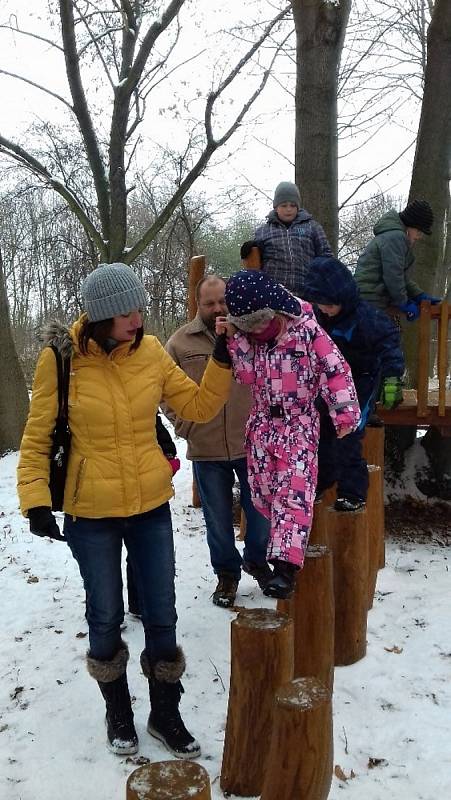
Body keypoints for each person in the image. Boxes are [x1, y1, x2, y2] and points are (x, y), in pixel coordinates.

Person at [17, 262, 232, 759]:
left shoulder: (152, 352)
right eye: (127, 313)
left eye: (140, 309)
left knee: (162, 614)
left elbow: (198, 407)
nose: (138, 319)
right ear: (102, 317)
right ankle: (118, 711)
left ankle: (164, 712)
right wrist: (35, 501)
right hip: (90, 513)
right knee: (106, 614)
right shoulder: (61, 360)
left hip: (150, 506)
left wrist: (221, 359)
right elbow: (37, 436)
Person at [217, 269, 361, 600]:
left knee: (293, 493)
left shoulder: (308, 332)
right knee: (264, 495)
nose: (257, 332)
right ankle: (278, 546)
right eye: (249, 327)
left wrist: (344, 411)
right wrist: (235, 339)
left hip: (298, 425)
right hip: (262, 426)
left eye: (259, 325)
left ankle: (285, 568)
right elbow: (247, 376)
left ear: (276, 312)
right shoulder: (250, 337)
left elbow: (335, 370)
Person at [162, 275, 271, 609]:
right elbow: (164, 391)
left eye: (222, 301)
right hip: (206, 448)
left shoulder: (250, 336)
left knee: (262, 510)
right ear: (198, 304)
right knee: (218, 519)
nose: (217, 308)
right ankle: (227, 574)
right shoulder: (180, 342)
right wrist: (185, 425)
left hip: (250, 443)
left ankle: (256, 559)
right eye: (209, 303)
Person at [304, 256, 405, 511]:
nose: (324, 309)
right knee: (322, 433)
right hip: (328, 382)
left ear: (342, 296)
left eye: (329, 304)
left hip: (360, 382)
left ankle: (353, 492)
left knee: (348, 435)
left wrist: (392, 377)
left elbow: (389, 343)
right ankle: (321, 481)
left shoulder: (365, 316)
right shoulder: (317, 317)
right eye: (320, 304)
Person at [126, 413, 180, 617]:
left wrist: (166, 461)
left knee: (140, 553)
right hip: (99, 492)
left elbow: (165, 443)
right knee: (103, 563)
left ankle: (138, 603)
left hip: (145, 492)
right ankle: (104, 612)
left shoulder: (143, 402)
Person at [240, 180, 333, 296]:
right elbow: (254, 263)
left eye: (293, 205)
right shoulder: (263, 231)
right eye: (284, 205)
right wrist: (249, 250)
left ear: (298, 207)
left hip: (308, 292)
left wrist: (325, 282)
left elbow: (326, 256)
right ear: (276, 207)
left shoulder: (312, 227)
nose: (288, 209)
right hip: (274, 293)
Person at [354, 199, 441, 320]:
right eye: (419, 231)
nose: (419, 236)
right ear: (410, 224)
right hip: (371, 300)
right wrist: (404, 303)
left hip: (371, 299)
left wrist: (418, 295)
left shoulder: (394, 236)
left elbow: (400, 276)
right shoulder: (396, 237)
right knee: (385, 337)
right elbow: (393, 276)